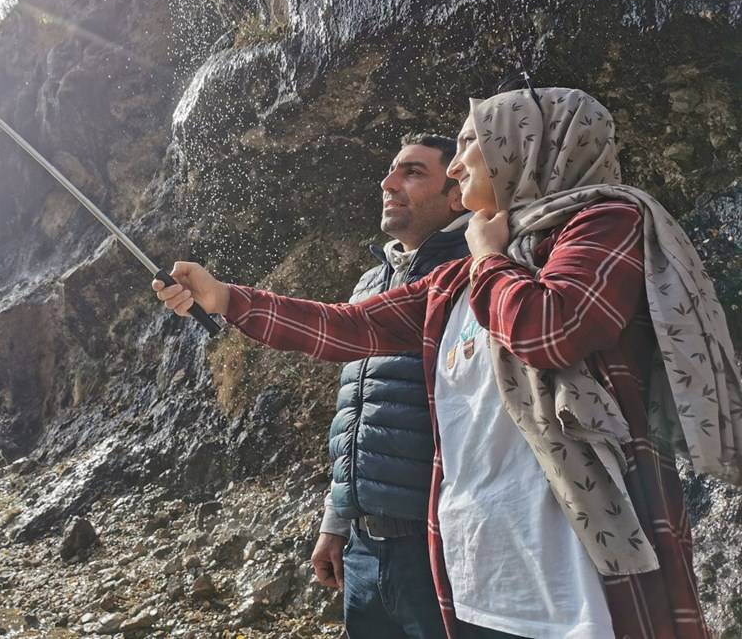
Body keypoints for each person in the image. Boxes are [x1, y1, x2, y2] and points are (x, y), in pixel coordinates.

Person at [154, 86, 742, 638]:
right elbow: (350, 327)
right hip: (477, 568)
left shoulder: (603, 221)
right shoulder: (458, 276)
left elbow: (550, 330)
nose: (458, 166)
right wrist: (224, 298)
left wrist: (486, 256)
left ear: (525, 142)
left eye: (468, 144)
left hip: (580, 569)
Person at [311, 133, 469, 638]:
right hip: (362, 548)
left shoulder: (474, 271)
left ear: (457, 195)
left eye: (413, 172)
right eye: (391, 170)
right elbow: (355, 409)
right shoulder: (368, 283)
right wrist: (336, 522)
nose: (388, 183)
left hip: (442, 546)